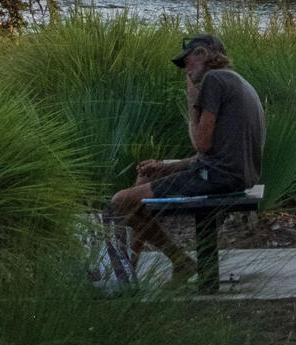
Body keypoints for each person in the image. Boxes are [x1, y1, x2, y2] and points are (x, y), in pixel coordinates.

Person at [111, 33, 265, 284]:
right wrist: (164, 166)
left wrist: (193, 101)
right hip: (233, 175)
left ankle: (167, 264)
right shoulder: (236, 80)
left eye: (187, 61)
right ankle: (131, 272)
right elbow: (210, 154)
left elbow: (201, 144)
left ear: (203, 55)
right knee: (146, 176)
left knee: (120, 201)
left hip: (217, 178)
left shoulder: (214, 80)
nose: (186, 69)